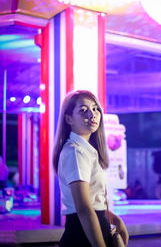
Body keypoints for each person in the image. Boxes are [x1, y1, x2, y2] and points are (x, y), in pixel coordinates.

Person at [53, 90, 129, 247]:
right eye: (83, 110)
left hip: (93, 229)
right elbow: (83, 208)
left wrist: (115, 220)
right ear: (68, 119)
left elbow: (93, 204)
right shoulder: (75, 151)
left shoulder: (86, 150)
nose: (92, 114)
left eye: (95, 109)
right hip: (83, 235)